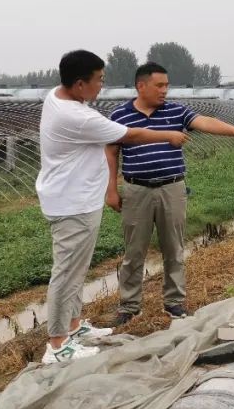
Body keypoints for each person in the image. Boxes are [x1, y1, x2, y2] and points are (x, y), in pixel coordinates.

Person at [36, 50, 189, 365]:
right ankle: (57, 344)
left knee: (76, 271)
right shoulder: (77, 116)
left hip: (77, 200)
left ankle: (74, 327)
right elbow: (130, 135)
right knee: (65, 274)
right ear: (80, 84)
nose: (101, 87)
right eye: (99, 80)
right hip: (72, 204)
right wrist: (169, 136)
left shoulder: (57, 97)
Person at [106, 62, 234, 324]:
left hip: (171, 187)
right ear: (141, 86)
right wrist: (111, 190)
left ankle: (174, 302)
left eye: (167, 85)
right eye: (159, 85)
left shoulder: (176, 111)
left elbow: (204, 121)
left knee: (173, 248)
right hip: (136, 189)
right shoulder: (119, 116)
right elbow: (111, 152)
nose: (165, 90)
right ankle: (129, 306)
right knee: (134, 251)